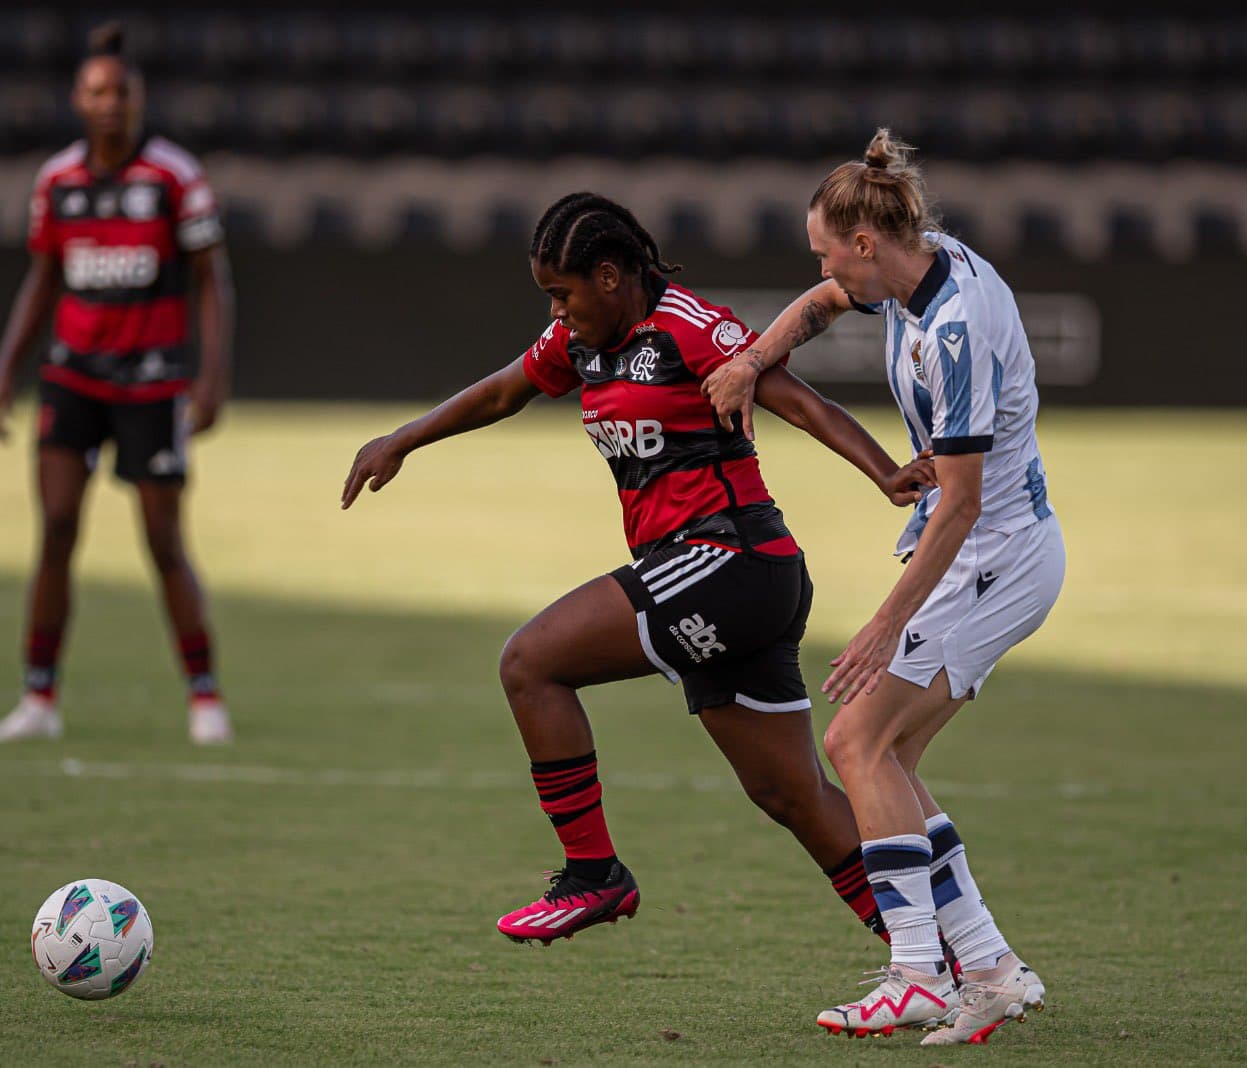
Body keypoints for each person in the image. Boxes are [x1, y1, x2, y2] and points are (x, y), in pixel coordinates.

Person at [343, 192, 936, 948]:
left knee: (530, 662)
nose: (558, 312)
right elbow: (502, 391)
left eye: (564, 293)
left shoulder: (689, 326)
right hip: (712, 573)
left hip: (729, 559)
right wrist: (403, 438)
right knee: (790, 794)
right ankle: (941, 955)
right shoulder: (580, 342)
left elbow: (796, 398)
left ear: (612, 276)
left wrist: (885, 473)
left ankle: (594, 874)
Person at [702, 130, 1064, 1044]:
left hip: (991, 555)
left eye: (828, 249)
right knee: (888, 760)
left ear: (867, 242)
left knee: (856, 739)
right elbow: (825, 304)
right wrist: (751, 358)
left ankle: (914, 974)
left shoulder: (955, 330)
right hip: (988, 550)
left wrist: (879, 625)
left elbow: (960, 505)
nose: (822, 267)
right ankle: (987, 966)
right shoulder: (915, 270)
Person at [0, 22, 236, 745]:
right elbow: (43, 279)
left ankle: (204, 696)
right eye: (96, 91)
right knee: (57, 527)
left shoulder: (173, 178)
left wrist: (211, 379)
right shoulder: (57, 181)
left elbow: (213, 281)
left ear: (137, 98)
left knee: (162, 539)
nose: (108, 103)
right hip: (71, 377)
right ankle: (38, 699)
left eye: (119, 91)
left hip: (153, 382)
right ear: (77, 99)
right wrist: (5, 370)